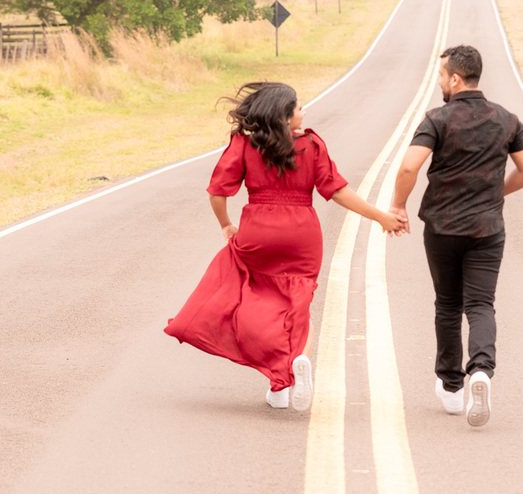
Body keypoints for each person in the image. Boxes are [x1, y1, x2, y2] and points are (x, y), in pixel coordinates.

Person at [166, 81, 403, 411]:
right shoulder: (312, 145)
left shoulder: (245, 144)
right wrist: (380, 217)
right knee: (298, 303)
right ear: (285, 115)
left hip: (258, 232)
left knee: (251, 298)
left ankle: (279, 386)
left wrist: (226, 225)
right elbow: (337, 191)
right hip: (302, 236)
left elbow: (217, 192)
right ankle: (297, 362)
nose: (304, 112)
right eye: (299, 107)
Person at [389, 45, 523, 427]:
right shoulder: (507, 120)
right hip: (487, 229)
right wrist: (495, 193)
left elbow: (408, 167)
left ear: (455, 79)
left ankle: (452, 387)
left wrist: (398, 206)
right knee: (481, 304)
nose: (439, 82)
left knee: (447, 305)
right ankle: (482, 371)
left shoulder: (437, 119)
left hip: (442, 229)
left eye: (441, 76)